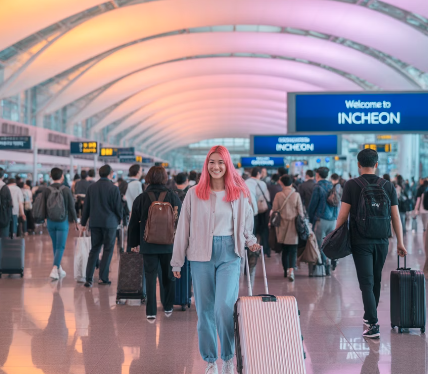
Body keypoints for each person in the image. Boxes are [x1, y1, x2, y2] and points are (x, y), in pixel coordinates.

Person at [171, 145, 260, 374]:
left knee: (223, 307)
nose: (216, 166)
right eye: (212, 162)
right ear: (206, 165)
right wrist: (177, 261)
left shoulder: (239, 193)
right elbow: (183, 229)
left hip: (230, 253)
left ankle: (228, 357)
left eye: (221, 162)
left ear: (227, 164)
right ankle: (211, 361)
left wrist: (251, 241)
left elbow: (246, 224)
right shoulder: (194, 193)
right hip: (200, 254)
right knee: (205, 310)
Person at [335, 148, 407, 338]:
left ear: (358, 164)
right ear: (376, 164)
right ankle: (370, 318)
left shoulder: (351, 185)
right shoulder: (387, 185)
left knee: (366, 282)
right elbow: (395, 217)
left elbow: (343, 215)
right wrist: (400, 242)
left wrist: (336, 236)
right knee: (375, 280)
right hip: (382, 240)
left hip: (361, 241)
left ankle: (373, 324)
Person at [128, 166, 182, 320]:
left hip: (148, 244)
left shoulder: (142, 198)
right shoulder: (173, 196)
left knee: (150, 277)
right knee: (168, 276)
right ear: (165, 178)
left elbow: (133, 223)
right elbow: (180, 220)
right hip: (169, 244)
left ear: (148, 178)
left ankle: (151, 312)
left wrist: (133, 244)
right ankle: (168, 306)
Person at [81, 165, 123, 287]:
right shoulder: (113, 188)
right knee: (108, 250)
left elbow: (86, 207)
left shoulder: (91, 187)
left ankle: (89, 278)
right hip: (110, 223)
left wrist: (83, 223)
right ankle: (103, 278)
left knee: (94, 249)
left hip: (95, 223)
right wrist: (121, 218)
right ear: (110, 174)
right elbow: (118, 207)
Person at [40, 168, 78, 280]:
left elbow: (43, 206)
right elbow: (72, 207)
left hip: (50, 221)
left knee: (55, 245)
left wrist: (44, 219)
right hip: (62, 222)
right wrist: (76, 221)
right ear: (62, 176)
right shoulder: (66, 190)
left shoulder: (46, 190)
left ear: (51, 176)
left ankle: (59, 268)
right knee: (60, 247)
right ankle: (54, 268)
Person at [307, 167, 338, 275]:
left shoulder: (318, 186)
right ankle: (331, 260)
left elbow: (313, 205)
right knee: (330, 243)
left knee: (321, 245)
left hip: (322, 220)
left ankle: (325, 266)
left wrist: (310, 220)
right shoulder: (332, 186)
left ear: (317, 174)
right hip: (333, 219)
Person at [272, 175, 303, 281]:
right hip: (293, 225)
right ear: (291, 183)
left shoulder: (278, 195)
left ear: (282, 183)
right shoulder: (296, 195)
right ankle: (291, 270)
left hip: (281, 225)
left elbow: (275, 209)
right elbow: (301, 212)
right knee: (293, 250)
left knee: (284, 250)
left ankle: (285, 271)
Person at [0, 168, 12, 238]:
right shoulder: (5, 188)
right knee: (3, 241)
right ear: (3, 176)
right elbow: (9, 204)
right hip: (3, 217)